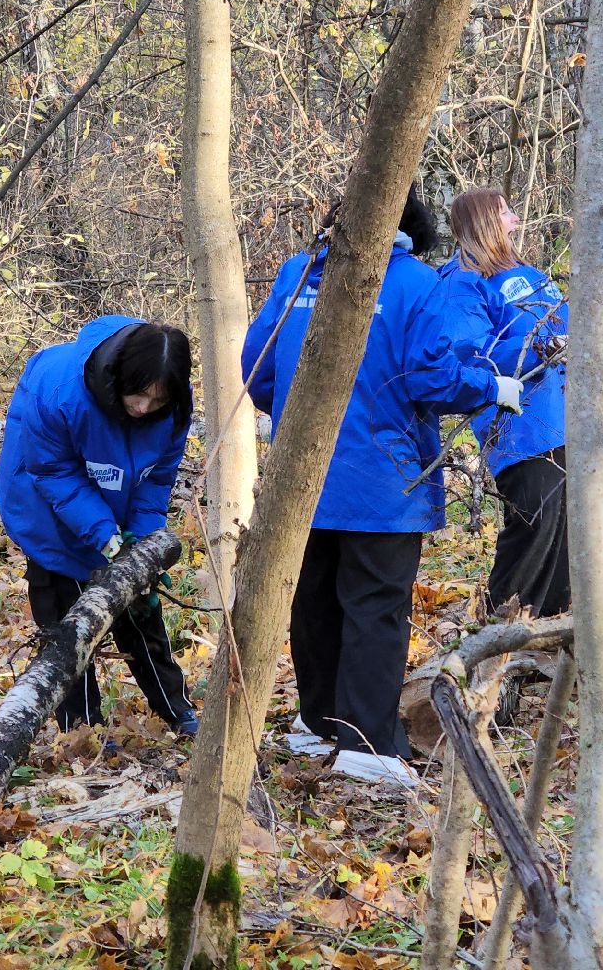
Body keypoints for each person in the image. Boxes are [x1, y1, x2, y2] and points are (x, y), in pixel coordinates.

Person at [242, 188, 518, 787]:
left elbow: (257, 367)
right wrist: (491, 387)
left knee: (313, 599)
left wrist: (288, 411)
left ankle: (318, 720)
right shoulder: (419, 283)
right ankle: (366, 742)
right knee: (375, 605)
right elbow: (433, 376)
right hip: (383, 478)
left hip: (302, 476)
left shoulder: (298, 273)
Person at [0, 316, 199, 736]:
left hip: (117, 500)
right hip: (46, 508)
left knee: (140, 613)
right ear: (121, 375)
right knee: (69, 625)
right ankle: (83, 729)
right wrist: (105, 537)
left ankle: (179, 713)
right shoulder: (60, 390)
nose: (144, 408)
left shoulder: (173, 405)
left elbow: (157, 479)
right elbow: (51, 472)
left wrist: (140, 547)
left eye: (156, 401)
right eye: (139, 395)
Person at [440, 187, 570, 618]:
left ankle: (552, 626)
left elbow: (571, 323)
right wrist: (540, 346)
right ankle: (500, 626)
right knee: (533, 523)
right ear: (484, 224)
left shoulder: (531, 275)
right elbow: (471, 352)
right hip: (519, 426)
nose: (515, 220)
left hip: (565, 415)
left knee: (564, 529)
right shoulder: (462, 282)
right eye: (505, 213)